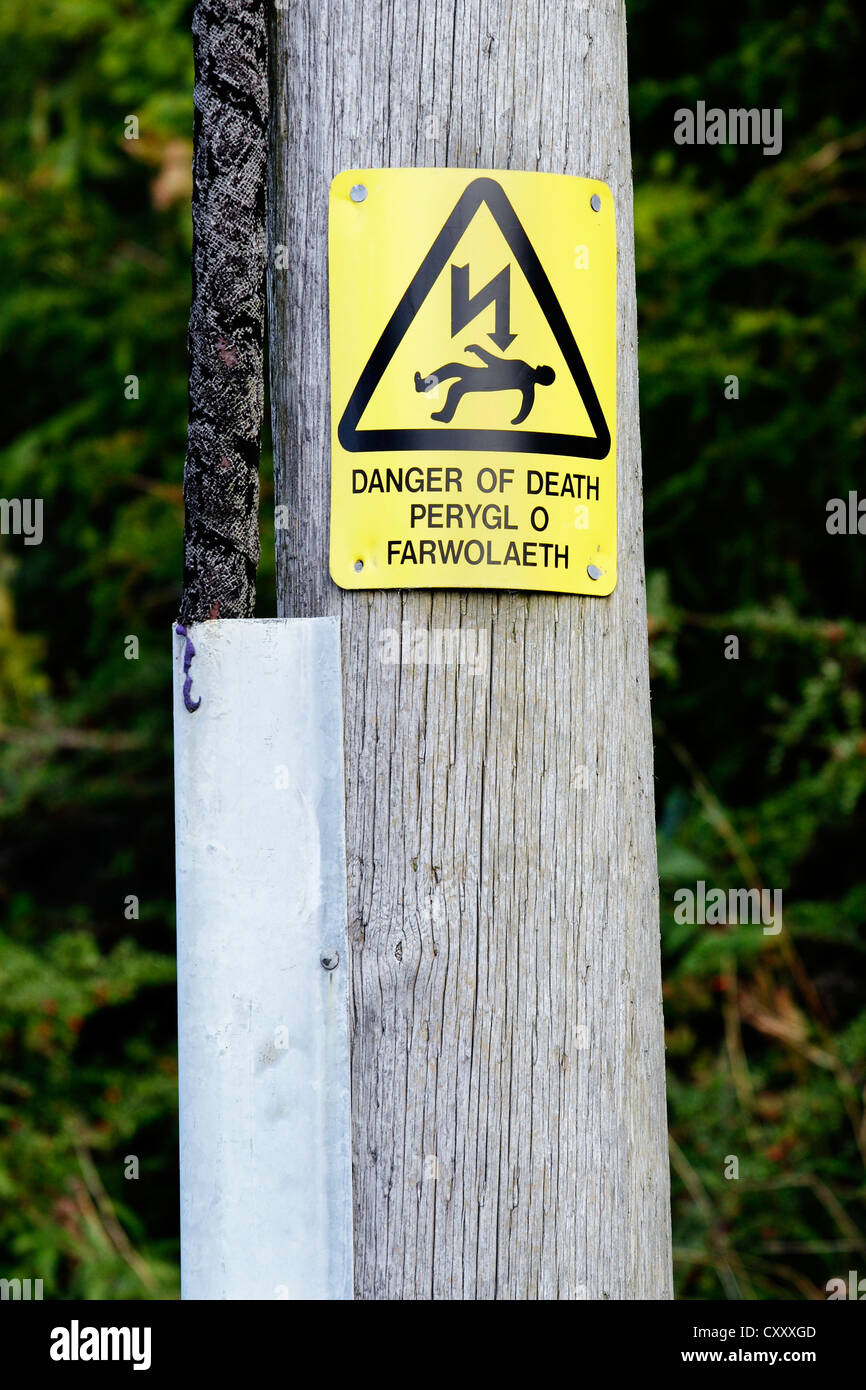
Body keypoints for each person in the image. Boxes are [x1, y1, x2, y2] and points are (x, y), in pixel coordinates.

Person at [414, 344, 555, 425]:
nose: (540, 365)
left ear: (542, 376)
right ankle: (429, 392)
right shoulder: (528, 385)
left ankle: (440, 408)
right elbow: (527, 406)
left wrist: (477, 350)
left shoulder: (522, 368)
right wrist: (517, 420)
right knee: (454, 378)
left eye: (543, 368)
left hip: (482, 378)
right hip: (484, 380)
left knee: (455, 382)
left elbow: (496, 362)